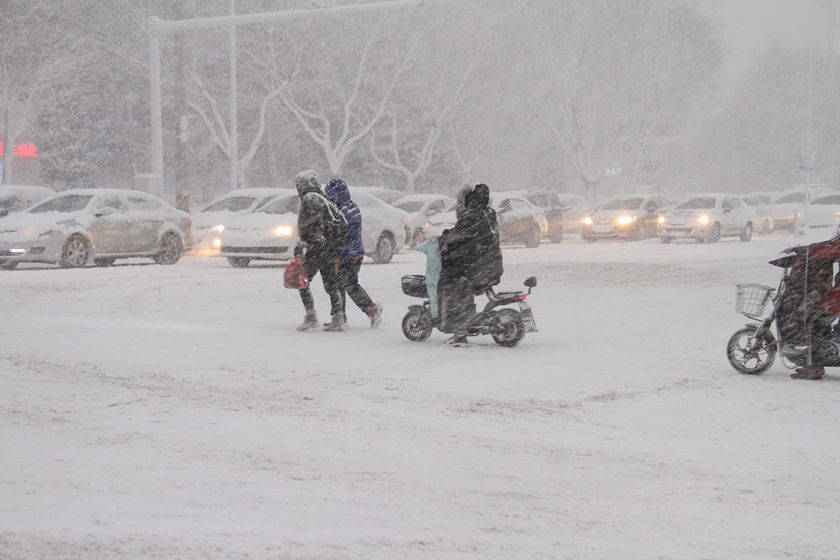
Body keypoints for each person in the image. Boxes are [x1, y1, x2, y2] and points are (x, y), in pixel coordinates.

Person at [439, 183, 503, 345]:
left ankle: (460, 331)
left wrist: (443, 241)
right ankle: (467, 321)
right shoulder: (488, 213)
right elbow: (469, 239)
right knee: (459, 278)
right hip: (490, 263)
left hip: (479, 267)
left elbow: (458, 237)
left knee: (455, 286)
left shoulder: (472, 215)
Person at [324, 179, 383, 328]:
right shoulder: (350, 207)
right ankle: (357, 313)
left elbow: (340, 233)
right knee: (348, 284)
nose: (328, 197)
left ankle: (351, 315)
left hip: (345, 254)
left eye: (330, 194)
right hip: (354, 252)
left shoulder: (343, 211)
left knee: (341, 285)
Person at [293, 170, 346, 332]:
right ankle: (338, 317)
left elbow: (311, 225)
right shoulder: (324, 198)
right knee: (331, 285)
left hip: (317, 250)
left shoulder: (310, 199)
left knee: (301, 281)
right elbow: (341, 223)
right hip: (329, 250)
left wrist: (304, 243)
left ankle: (311, 316)